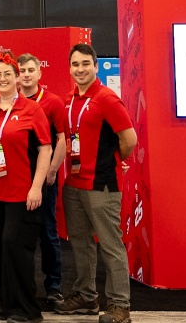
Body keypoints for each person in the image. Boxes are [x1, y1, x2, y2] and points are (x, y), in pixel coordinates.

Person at [55, 44, 137, 323]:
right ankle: (87, 297)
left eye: (85, 64)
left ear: (96, 66)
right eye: (75, 64)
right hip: (74, 183)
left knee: (111, 245)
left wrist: (110, 160)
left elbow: (129, 140)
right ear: (69, 68)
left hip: (102, 185)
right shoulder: (69, 99)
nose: (80, 69)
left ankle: (119, 306)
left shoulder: (107, 99)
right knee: (80, 243)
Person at [0, 56, 53, 323]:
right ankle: (8, 305)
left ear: (17, 77)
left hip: (23, 193)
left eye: (7, 74)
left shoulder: (32, 109)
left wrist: (37, 187)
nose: (2, 78)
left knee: (16, 247)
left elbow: (45, 148)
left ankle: (27, 310)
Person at [18, 52, 67, 306]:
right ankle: (23, 285)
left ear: (39, 73)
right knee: (20, 233)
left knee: (48, 231)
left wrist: (51, 170)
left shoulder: (52, 102)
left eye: (30, 70)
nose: (26, 74)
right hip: (17, 177)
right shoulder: (11, 102)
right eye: (22, 71)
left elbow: (61, 139)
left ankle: (54, 285)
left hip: (45, 178)